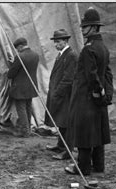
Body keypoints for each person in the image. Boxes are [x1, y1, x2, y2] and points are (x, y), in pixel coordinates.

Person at [64, 7, 114, 175]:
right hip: (99, 100)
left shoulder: (88, 49)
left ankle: (83, 168)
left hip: (86, 99)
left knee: (84, 134)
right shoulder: (103, 48)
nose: (83, 29)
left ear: (94, 27)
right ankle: (99, 166)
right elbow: (108, 74)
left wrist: (96, 92)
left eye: (85, 27)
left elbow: (92, 76)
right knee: (98, 133)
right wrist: (106, 95)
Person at [45, 29, 78, 160]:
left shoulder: (71, 56)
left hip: (66, 96)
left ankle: (67, 151)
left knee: (66, 124)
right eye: (55, 42)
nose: (55, 44)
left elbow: (68, 79)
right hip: (60, 95)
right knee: (61, 122)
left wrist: (57, 93)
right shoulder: (62, 55)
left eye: (58, 42)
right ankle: (60, 145)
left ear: (65, 41)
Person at [7, 37, 40, 137]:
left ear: (21, 46)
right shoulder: (35, 55)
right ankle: (28, 129)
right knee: (28, 107)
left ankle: (24, 131)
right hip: (31, 85)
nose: (17, 50)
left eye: (17, 48)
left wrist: (12, 65)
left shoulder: (20, 57)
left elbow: (11, 74)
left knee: (21, 109)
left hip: (20, 87)